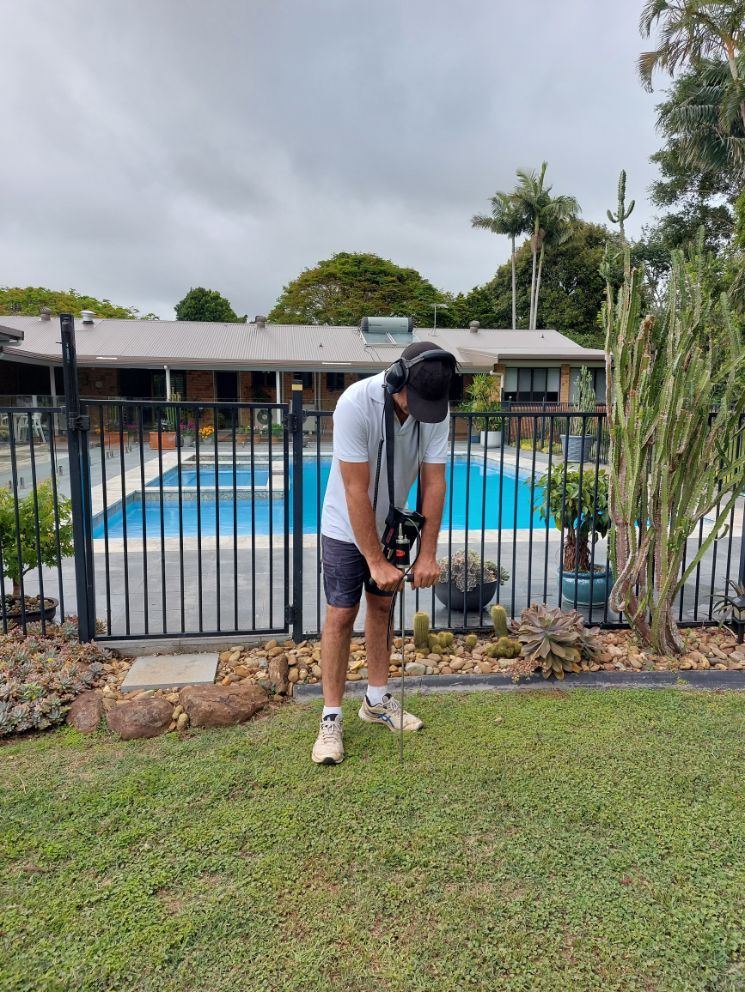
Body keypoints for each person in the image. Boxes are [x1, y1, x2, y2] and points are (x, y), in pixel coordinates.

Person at [312, 341, 456, 764]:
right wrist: (374, 560)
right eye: (416, 402)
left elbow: (434, 483)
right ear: (396, 380)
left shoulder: (434, 408)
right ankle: (331, 717)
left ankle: (376, 701)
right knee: (341, 613)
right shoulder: (355, 403)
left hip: (393, 524)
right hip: (345, 526)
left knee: (381, 610)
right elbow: (355, 489)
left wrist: (427, 554)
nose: (421, 413)